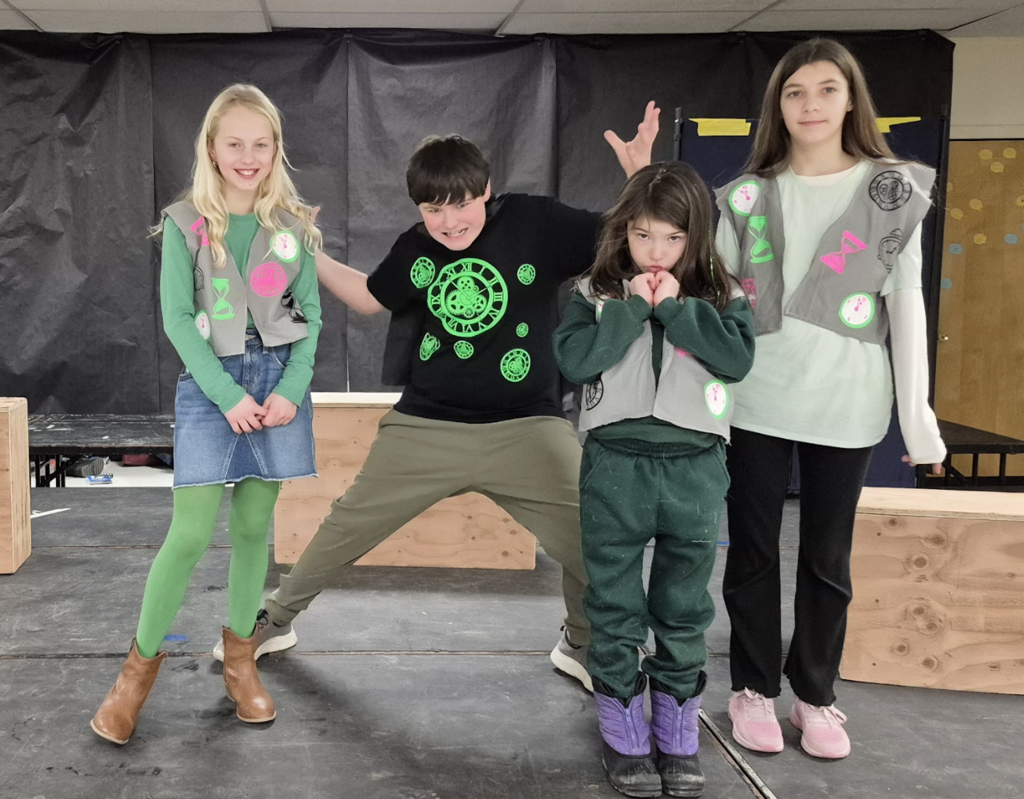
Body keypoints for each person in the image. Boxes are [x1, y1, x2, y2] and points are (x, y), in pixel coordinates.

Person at [212, 104, 662, 695]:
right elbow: (372, 297)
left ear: (487, 191)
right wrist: (307, 253)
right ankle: (276, 619)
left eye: (462, 203)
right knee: (345, 526)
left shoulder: (535, 222)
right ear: (419, 209)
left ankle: (580, 641)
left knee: (592, 537)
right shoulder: (416, 247)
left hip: (526, 424)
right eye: (433, 208)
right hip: (426, 424)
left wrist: (639, 177)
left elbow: (625, 239)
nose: (449, 222)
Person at [715, 38, 946, 760]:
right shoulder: (747, 195)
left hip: (846, 402)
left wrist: (920, 419)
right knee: (751, 550)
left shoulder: (893, 191)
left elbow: (907, 305)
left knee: (827, 557)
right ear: (776, 106)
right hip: (754, 398)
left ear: (851, 100)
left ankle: (816, 694)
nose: (809, 105)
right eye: (794, 92)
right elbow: (717, 302)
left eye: (825, 90)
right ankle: (752, 687)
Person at [91, 84, 322, 744]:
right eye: (235, 144)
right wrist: (227, 395)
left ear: (275, 148)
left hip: (278, 386)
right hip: (212, 385)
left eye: (260, 143)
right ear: (213, 151)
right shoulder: (186, 222)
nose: (248, 156)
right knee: (190, 536)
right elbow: (175, 320)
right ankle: (133, 677)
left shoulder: (293, 226)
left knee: (254, 527)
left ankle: (242, 662)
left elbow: (310, 317)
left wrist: (291, 388)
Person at [554, 162, 754, 798]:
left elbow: (736, 359)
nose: (657, 252)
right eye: (643, 236)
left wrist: (678, 309)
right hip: (615, 463)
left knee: (684, 604)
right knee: (613, 599)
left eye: (673, 238)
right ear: (623, 233)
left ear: (697, 236)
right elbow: (576, 359)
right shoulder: (592, 292)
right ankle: (620, 716)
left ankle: (676, 719)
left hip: (696, 467)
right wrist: (634, 308)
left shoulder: (723, 296)